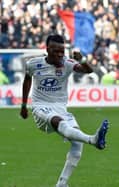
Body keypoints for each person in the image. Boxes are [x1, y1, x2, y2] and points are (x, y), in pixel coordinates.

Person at [19, 34, 109, 187]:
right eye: (56, 51)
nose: (60, 55)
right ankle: (93, 140)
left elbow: (88, 71)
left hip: (61, 108)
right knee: (62, 125)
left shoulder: (67, 63)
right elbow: (27, 81)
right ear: (47, 49)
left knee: (77, 145)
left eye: (62, 51)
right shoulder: (33, 64)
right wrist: (23, 105)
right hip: (41, 106)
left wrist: (82, 59)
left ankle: (62, 183)